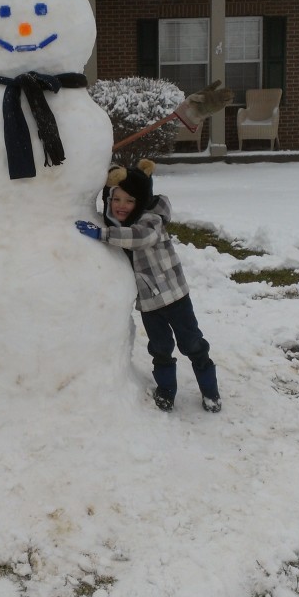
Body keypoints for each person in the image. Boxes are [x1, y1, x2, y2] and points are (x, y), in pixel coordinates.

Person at [75, 159, 221, 413]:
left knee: (193, 344)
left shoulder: (151, 220)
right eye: (116, 199)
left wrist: (103, 234)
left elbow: (141, 238)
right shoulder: (117, 226)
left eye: (130, 200)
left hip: (175, 297)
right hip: (149, 303)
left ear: (140, 201)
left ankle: (210, 391)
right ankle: (166, 390)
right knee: (159, 348)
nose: (122, 206)